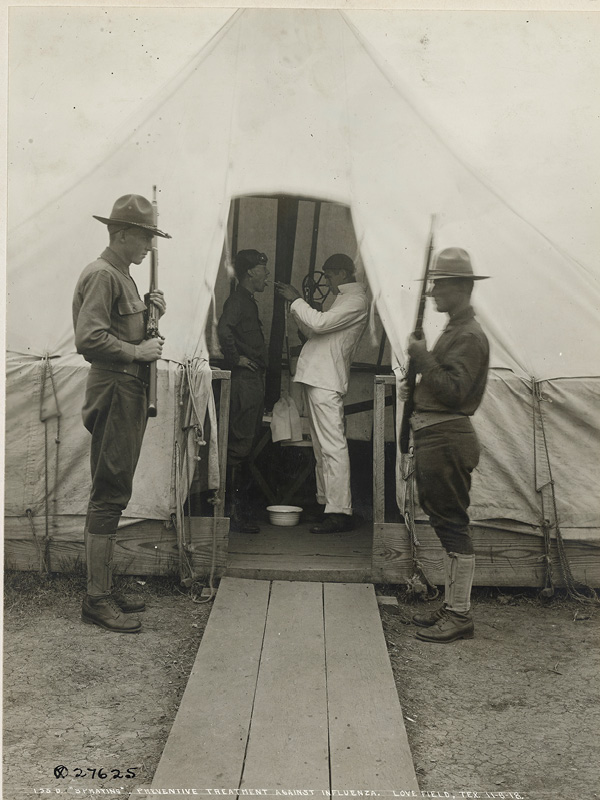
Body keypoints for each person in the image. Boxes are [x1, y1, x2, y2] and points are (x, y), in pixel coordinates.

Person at [73, 194, 170, 634]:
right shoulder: (102, 275)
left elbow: (123, 328)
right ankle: (96, 598)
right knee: (109, 490)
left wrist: (152, 315)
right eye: (145, 237)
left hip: (126, 390)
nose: (149, 245)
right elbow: (89, 338)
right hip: (114, 387)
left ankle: (104, 588)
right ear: (122, 233)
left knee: (116, 487)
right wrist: (137, 351)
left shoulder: (123, 277)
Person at [401, 247, 490, 643]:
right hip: (437, 436)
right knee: (444, 521)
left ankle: (460, 614)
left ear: (460, 287)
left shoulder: (470, 336)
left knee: (452, 525)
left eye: (439, 284)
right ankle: (454, 606)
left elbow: (454, 391)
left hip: (447, 438)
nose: (433, 291)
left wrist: (421, 360)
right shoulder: (456, 329)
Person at [275, 254, 369, 534]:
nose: (325, 281)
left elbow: (319, 325)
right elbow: (315, 331)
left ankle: (339, 512)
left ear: (342, 273)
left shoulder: (355, 300)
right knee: (322, 448)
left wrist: (296, 301)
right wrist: (299, 309)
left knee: (332, 447)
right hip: (318, 376)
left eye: (328, 276)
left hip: (326, 379)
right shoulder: (341, 299)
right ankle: (327, 504)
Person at [217, 249, 270, 534]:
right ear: (251, 272)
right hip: (244, 381)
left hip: (253, 380)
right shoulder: (238, 301)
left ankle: (234, 511)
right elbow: (223, 329)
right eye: (264, 270)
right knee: (238, 446)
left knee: (244, 443)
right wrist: (235, 359)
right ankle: (230, 514)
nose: (267, 275)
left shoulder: (247, 301)